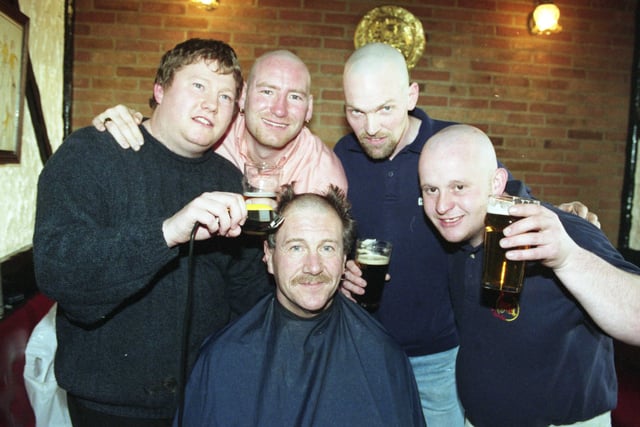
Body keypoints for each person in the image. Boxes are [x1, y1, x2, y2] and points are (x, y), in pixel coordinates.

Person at [334, 42, 600, 426]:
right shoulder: (343, 155)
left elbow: (509, 200)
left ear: (411, 96)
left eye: (384, 109)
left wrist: (569, 218)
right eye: (356, 111)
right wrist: (342, 268)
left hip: (442, 357)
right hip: (366, 350)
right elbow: (331, 233)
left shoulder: (451, 147)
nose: (370, 128)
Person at [33, 39, 273, 427]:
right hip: (110, 407)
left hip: (203, 399)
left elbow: (245, 291)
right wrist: (167, 233)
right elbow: (59, 269)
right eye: (198, 85)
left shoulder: (228, 179)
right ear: (159, 90)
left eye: (226, 96)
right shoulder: (92, 154)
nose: (212, 104)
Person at [418, 124, 640, 427]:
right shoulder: (453, 237)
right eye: (431, 189)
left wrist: (567, 258)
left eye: (459, 187)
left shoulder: (558, 231)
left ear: (496, 183)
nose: (442, 206)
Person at [176, 185, 426, 427]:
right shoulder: (225, 358)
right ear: (269, 256)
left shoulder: (381, 355)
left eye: (327, 248)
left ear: (343, 261)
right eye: (296, 247)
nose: (313, 266)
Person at [91, 49, 347, 194]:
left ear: (310, 108)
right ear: (243, 96)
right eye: (267, 92)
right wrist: (126, 123)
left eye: (294, 96)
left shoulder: (323, 177)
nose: (279, 110)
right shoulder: (213, 132)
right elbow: (168, 132)